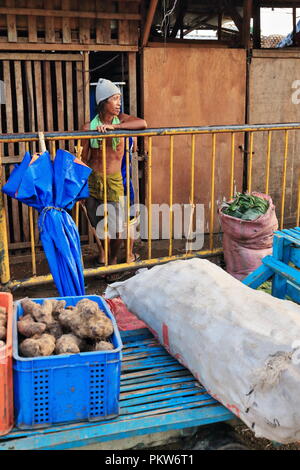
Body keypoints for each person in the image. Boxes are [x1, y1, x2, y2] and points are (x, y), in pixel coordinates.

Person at [81, 78, 147, 267]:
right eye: (115, 99)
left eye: (119, 98)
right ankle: (108, 258)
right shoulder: (88, 127)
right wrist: (81, 187)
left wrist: (114, 128)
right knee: (97, 223)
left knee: (119, 227)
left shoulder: (123, 121)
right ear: (103, 102)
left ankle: (111, 261)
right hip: (93, 180)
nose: (119, 103)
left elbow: (143, 123)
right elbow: (84, 158)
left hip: (114, 181)